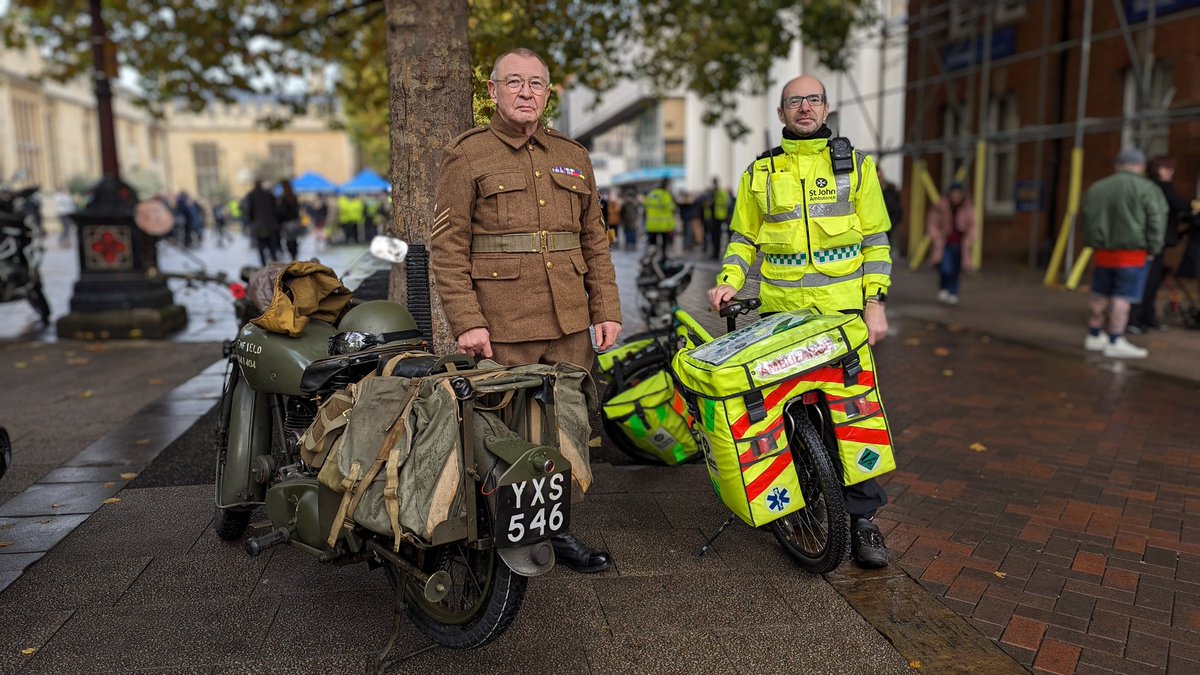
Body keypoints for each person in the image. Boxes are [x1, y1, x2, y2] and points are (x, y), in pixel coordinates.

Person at [430, 47, 623, 574]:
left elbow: (593, 240)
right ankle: (495, 533)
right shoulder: (467, 154)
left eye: (535, 84)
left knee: (566, 426)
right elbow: (447, 246)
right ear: (492, 91)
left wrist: (606, 308)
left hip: (568, 325)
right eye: (513, 82)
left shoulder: (572, 154)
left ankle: (557, 529)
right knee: (504, 433)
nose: (525, 92)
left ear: (547, 93)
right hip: (502, 325)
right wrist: (467, 321)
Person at [707, 74, 894, 569]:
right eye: (795, 101)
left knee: (853, 416)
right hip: (782, 318)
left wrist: (875, 302)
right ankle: (799, 497)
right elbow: (743, 239)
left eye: (813, 100)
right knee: (782, 412)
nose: (804, 107)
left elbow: (875, 240)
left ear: (826, 108)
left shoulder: (856, 166)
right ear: (781, 113)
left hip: (842, 316)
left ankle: (863, 519)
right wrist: (728, 281)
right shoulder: (760, 172)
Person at [1079, 149, 1167, 359]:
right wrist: (1154, 247)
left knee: (1100, 294)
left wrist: (1093, 243)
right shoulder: (1147, 189)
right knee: (1123, 297)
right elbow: (1156, 219)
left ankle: (1094, 334)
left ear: (1117, 165)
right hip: (1132, 253)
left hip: (1103, 252)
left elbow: (1086, 219)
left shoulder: (1097, 188)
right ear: (1141, 167)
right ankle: (1115, 339)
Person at [1130, 156, 1190, 333]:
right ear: (1159, 169)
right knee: (1148, 281)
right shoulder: (1159, 188)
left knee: (1153, 280)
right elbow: (1173, 205)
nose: (1171, 172)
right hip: (1153, 243)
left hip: (1156, 242)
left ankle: (1146, 317)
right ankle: (1136, 319)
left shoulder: (1154, 187)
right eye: (1168, 168)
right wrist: (1194, 206)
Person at [926, 182, 975, 305]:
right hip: (945, 243)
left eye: (958, 193)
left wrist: (969, 239)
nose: (956, 196)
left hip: (960, 244)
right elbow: (932, 222)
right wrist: (937, 236)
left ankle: (953, 292)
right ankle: (944, 288)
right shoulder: (941, 206)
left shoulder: (967, 207)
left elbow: (972, 225)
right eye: (954, 193)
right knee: (946, 268)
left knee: (956, 270)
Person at [243, 179, 281, 265]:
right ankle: (275, 263)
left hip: (258, 226)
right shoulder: (269, 195)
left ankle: (263, 264)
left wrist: (250, 222)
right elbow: (275, 210)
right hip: (270, 225)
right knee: (272, 247)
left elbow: (249, 211)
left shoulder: (251, 195)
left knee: (261, 248)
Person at [643, 179, 676, 261]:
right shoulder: (665, 195)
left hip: (651, 224)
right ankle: (663, 257)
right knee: (664, 242)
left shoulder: (651, 194)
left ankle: (651, 258)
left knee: (652, 243)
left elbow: (645, 205)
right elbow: (670, 207)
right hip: (663, 225)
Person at [701, 178, 732, 260]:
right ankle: (715, 252)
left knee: (718, 235)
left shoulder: (721, 193)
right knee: (713, 236)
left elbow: (726, 203)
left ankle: (717, 252)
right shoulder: (711, 192)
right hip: (712, 217)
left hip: (719, 217)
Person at [278, 179, 303, 261]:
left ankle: (292, 256)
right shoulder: (293, 197)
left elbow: (282, 211)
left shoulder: (283, 198)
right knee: (294, 240)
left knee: (288, 241)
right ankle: (294, 256)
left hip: (287, 223)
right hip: (295, 222)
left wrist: (280, 220)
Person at [879, 167, 903, 232]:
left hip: (891, 227)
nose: (878, 180)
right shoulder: (872, 191)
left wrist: (893, 224)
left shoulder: (891, 190)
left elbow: (897, 210)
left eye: (879, 177)